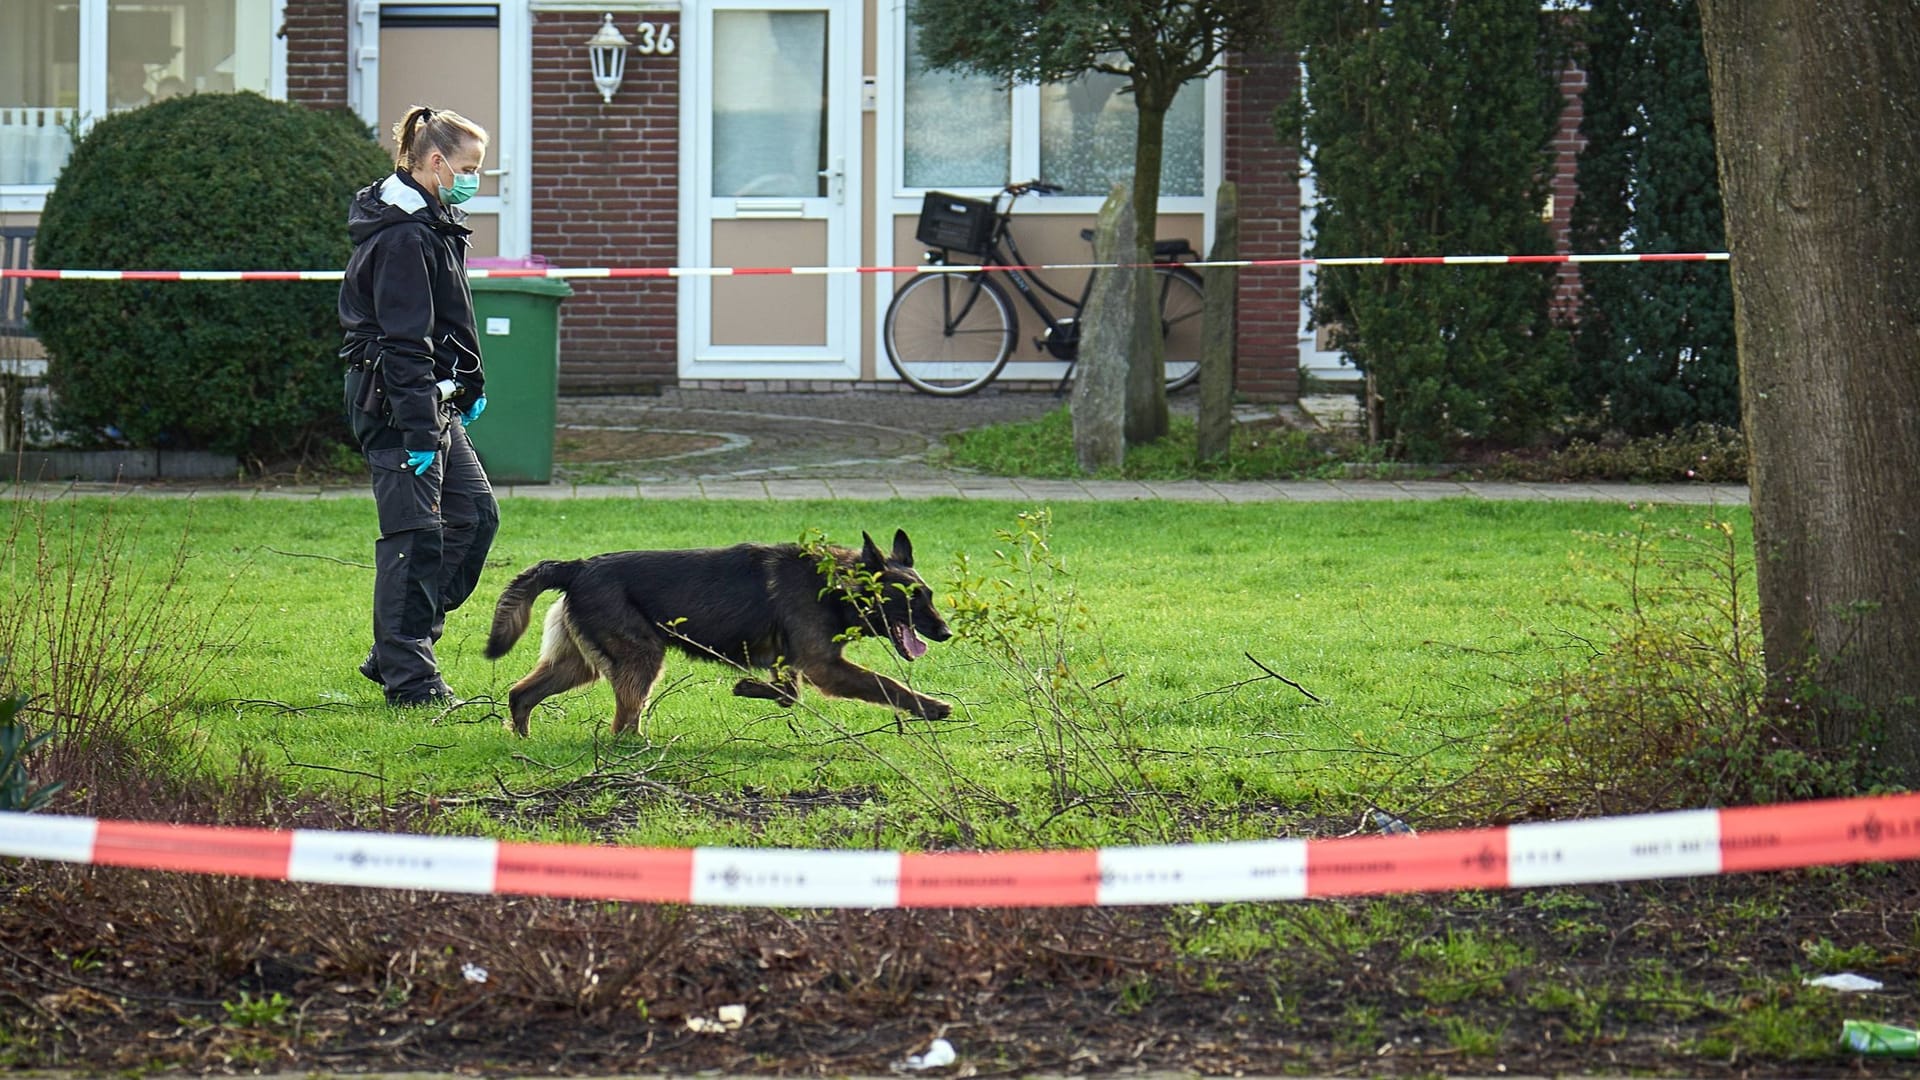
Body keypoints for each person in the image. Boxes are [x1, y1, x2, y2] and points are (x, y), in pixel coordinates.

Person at [338, 105, 499, 707]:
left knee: (475, 518)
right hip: (397, 406)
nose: (474, 178)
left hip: (433, 404)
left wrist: (469, 386)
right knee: (414, 536)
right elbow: (404, 342)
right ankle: (413, 682)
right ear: (435, 162)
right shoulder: (403, 235)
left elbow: (448, 320)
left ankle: (395, 650)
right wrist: (418, 432)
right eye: (468, 167)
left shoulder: (432, 221)